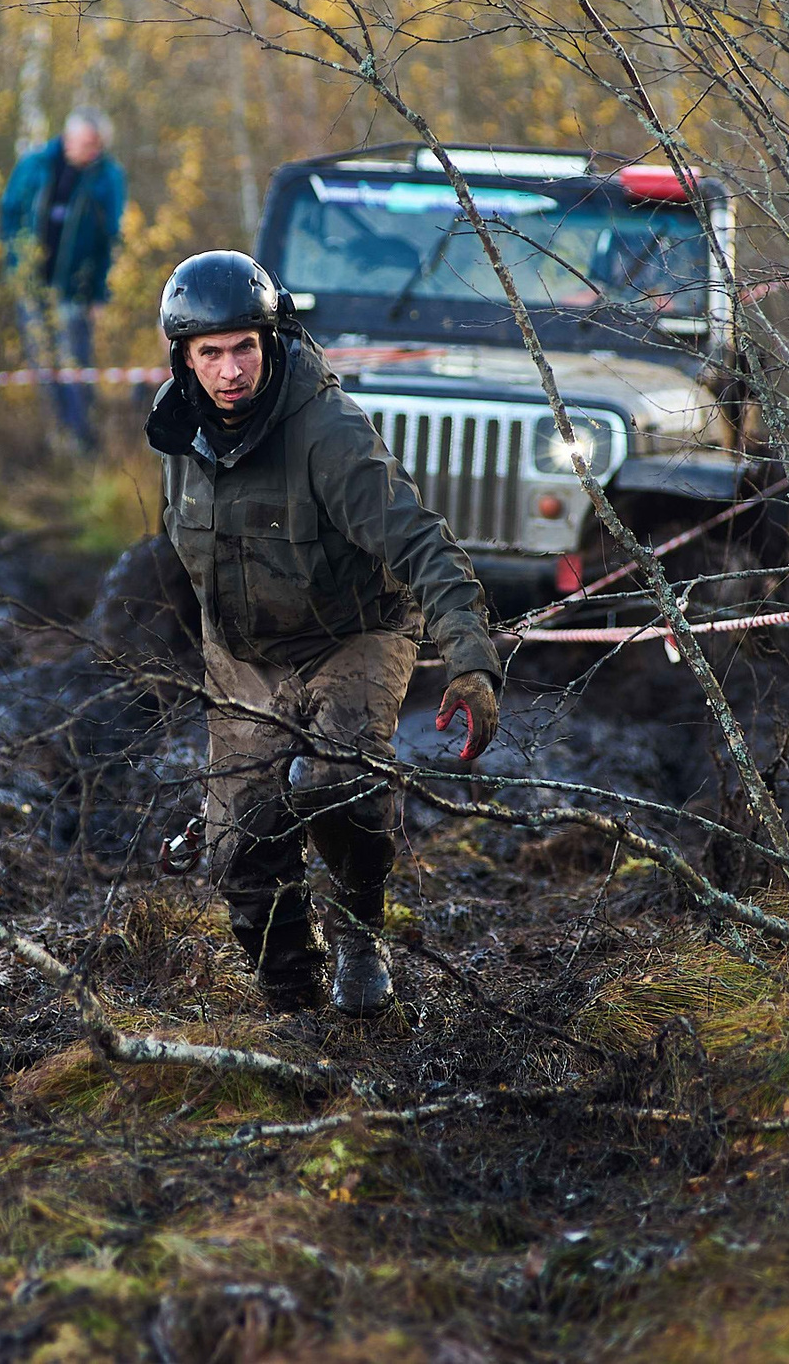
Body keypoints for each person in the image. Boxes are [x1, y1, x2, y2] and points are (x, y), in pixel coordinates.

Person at [146, 250, 502, 1016]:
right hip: (244, 654)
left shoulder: (327, 429)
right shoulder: (175, 433)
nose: (230, 369)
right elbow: (179, 552)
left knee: (334, 778)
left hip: (355, 632)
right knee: (240, 843)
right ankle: (292, 998)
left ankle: (358, 932)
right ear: (183, 357)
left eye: (245, 346)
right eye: (209, 352)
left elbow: (421, 541)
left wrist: (472, 660)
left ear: (272, 341)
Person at [0, 108, 127, 451]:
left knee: (76, 362)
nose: (92, 152)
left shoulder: (107, 177)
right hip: (32, 284)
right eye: (87, 144)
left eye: (98, 145)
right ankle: (53, 434)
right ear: (68, 139)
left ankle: (82, 436)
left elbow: (109, 239)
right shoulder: (34, 165)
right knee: (42, 360)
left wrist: (98, 293)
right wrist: (16, 266)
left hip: (76, 290)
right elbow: (9, 214)